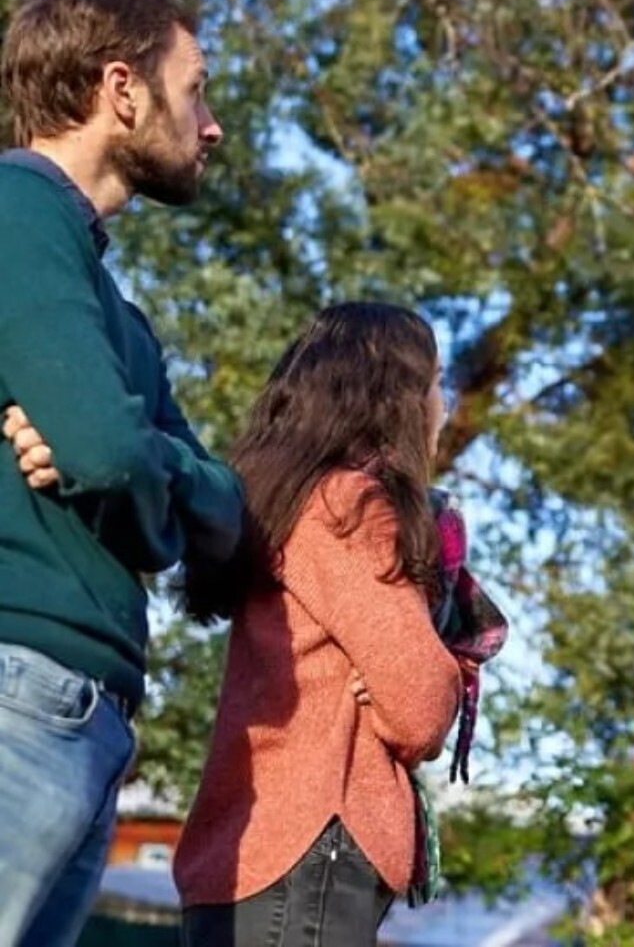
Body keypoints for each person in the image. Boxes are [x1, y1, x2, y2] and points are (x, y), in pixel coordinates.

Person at [0, 0, 244, 945]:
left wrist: (146, 469)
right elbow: (109, 453)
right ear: (122, 90)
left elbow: (224, 513)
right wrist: (131, 464)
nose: (212, 126)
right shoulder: (17, 214)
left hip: (84, 721)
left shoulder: (122, 319)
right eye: (197, 90)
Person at [173, 302, 467, 946]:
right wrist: (422, 683)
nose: (444, 403)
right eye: (436, 381)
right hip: (312, 846)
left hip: (258, 850)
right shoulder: (347, 506)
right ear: (397, 397)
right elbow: (420, 703)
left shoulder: (284, 500)